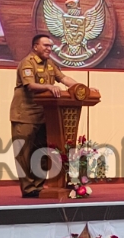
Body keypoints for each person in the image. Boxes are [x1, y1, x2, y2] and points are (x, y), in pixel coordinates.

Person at [11, 33, 84, 197]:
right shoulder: (27, 63)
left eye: (51, 46)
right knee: (24, 153)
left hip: (45, 115)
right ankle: (28, 189)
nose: (49, 49)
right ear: (35, 46)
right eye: (46, 45)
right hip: (25, 115)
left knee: (42, 151)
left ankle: (38, 185)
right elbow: (30, 85)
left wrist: (82, 88)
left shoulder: (50, 63)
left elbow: (63, 78)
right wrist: (49, 87)